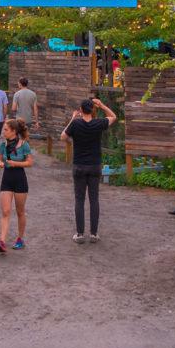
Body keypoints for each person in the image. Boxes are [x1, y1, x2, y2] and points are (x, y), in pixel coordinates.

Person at [62, 97, 115, 243]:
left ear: (80, 110)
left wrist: (73, 119)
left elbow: (63, 137)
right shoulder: (99, 123)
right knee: (94, 199)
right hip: (94, 166)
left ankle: (79, 234)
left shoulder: (76, 124)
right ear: (92, 109)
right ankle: (94, 234)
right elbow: (113, 117)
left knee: (79, 200)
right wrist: (102, 104)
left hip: (79, 165)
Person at [0, 118, 33, 254]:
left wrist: (16, 163)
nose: (3, 132)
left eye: (6, 130)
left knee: (20, 211)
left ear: (14, 131)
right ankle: (2, 241)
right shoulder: (3, 145)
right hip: (7, 179)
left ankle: (20, 239)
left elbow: (29, 162)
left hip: (20, 179)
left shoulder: (24, 145)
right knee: (5, 211)